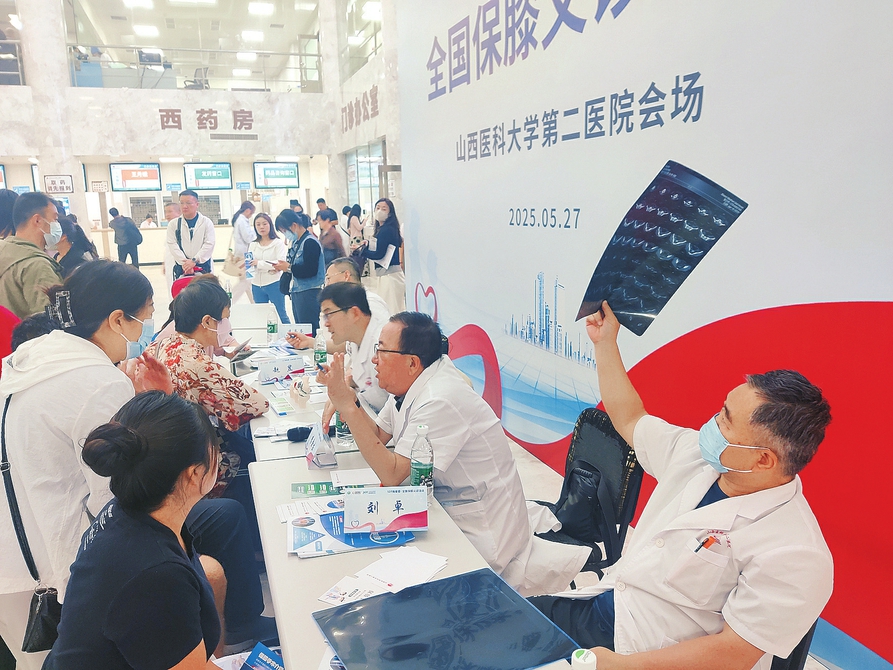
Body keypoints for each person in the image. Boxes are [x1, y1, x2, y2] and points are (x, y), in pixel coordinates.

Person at [529, 302, 834, 668]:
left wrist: (622, 665)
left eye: (725, 420)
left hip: (645, 657)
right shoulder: (697, 457)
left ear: (763, 460)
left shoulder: (797, 554)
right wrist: (604, 343)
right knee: (490, 624)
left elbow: (734, 653)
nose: (712, 424)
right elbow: (630, 418)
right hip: (603, 608)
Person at [0, 261, 272, 669]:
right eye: (143, 318)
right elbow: (128, 488)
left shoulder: (32, 360)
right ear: (116, 319)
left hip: (19, 548)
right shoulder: (95, 380)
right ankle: (230, 630)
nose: (144, 330)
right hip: (73, 551)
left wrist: (147, 400)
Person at [318, 311, 584, 596]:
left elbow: (392, 473)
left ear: (411, 362)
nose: (374, 359)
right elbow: (378, 436)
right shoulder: (413, 382)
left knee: (399, 586)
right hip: (448, 504)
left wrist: (348, 407)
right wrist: (350, 401)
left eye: (381, 351)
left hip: (484, 528)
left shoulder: (440, 398)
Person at [43, 392, 224, 669]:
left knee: (211, 570)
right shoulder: (157, 575)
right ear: (194, 474)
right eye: (214, 446)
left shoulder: (128, 510)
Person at [317, 282, 389, 423]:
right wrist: (338, 381)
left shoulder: (384, 347)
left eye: (329, 314)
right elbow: (365, 381)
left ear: (354, 313)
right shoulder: (355, 341)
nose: (326, 323)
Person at [286, 257, 389, 353]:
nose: (327, 285)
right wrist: (309, 342)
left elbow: (380, 346)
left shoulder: (370, 303)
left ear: (346, 275)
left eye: (329, 278)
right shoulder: (353, 303)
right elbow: (345, 346)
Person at [0, 192, 63, 318]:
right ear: (37, 220)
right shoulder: (37, 265)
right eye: (55, 219)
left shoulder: (5, 251)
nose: (57, 225)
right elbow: (53, 319)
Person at [275, 209, 323, 335]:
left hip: (309, 292)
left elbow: (311, 270)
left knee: (309, 330)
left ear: (294, 225)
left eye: (284, 231)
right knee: (301, 329)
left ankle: (313, 347)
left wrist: (288, 267)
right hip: (297, 291)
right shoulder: (297, 242)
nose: (285, 234)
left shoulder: (310, 242)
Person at [359, 197, 405, 314]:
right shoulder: (384, 229)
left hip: (389, 275)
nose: (380, 211)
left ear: (390, 213)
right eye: (378, 208)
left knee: (391, 311)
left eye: (384, 209)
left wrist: (363, 252)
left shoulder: (386, 230)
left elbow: (379, 254)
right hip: (388, 274)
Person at [247, 212, 290, 324]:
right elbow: (249, 264)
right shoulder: (253, 244)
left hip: (274, 283)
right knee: (261, 316)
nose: (261, 227)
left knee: (281, 314)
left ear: (270, 225)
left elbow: (280, 263)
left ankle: (290, 334)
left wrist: (259, 264)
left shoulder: (278, 243)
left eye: (264, 224)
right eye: (258, 224)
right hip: (256, 284)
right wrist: (268, 266)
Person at [166, 190, 216, 279]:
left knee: (204, 286)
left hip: (203, 267)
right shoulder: (173, 224)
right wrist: (186, 264)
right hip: (182, 267)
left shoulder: (206, 222)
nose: (184, 206)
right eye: (182, 203)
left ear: (197, 204)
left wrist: (194, 261)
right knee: (183, 287)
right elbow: (172, 245)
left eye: (188, 203)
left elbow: (209, 244)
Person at [228, 200, 256, 305]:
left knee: (248, 280)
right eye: (251, 213)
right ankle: (230, 300)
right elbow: (248, 238)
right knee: (246, 280)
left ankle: (254, 302)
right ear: (248, 210)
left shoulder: (239, 219)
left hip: (242, 253)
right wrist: (256, 233)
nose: (251, 216)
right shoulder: (242, 220)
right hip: (246, 255)